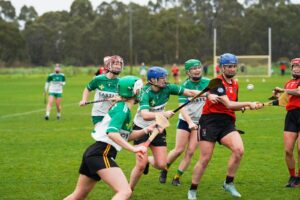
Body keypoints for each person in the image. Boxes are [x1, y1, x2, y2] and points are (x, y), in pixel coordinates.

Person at [64, 76, 157, 200]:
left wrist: (145, 130)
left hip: (94, 152)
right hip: (102, 153)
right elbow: (112, 133)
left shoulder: (123, 109)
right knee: (125, 192)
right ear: (133, 92)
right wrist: (134, 149)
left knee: (78, 196)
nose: (141, 92)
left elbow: (124, 136)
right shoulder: (122, 110)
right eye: (139, 90)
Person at [129, 66, 218, 191]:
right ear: (153, 80)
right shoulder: (145, 92)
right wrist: (163, 114)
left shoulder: (168, 88)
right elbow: (145, 115)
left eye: (165, 77)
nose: (165, 80)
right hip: (142, 128)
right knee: (140, 166)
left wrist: (207, 94)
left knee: (161, 164)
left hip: (159, 127)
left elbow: (190, 92)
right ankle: (129, 190)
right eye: (162, 78)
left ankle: (149, 160)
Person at [187, 53, 262, 200]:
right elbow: (228, 103)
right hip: (210, 121)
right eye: (229, 66)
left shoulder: (235, 83)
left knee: (239, 150)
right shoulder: (216, 82)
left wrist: (244, 107)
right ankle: (193, 190)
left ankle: (228, 183)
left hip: (227, 123)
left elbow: (233, 104)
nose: (232, 69)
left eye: (234, 66)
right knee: (205, 158)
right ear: (222, 67)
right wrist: (249, 103)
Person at [159, 59, 210, 186]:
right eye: (193, 68)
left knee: (191, 151)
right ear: (188, 72)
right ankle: (165, 168)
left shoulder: (208, 82)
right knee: (178, 149)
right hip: (185, 121)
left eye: (198, 67)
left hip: (200, 122)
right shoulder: (184, 85)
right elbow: (182, 108)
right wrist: (190, 123)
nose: (197, 70)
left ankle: (176, 177)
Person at [273, 58, 300, 188]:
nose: (296, 68)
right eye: (294, 66)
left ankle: (299, 177)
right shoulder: (288, 83)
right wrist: (275, 97)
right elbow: (284, 101)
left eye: (298, 66)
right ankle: (292, 177)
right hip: (291, 116)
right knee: (288, 150)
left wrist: (284, 91)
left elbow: (299, 92)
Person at [79, 55, 123, 127]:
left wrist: (120, 99)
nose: (118, 66)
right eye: (116, 64)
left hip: (113, 114)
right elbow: (87, 89)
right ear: (109, 65)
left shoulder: (121, 82)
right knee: (101, 136)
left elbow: (127, 98)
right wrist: (84, 100)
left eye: (120, 64)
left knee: (111, 136)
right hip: (98, 114)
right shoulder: (98, 79)